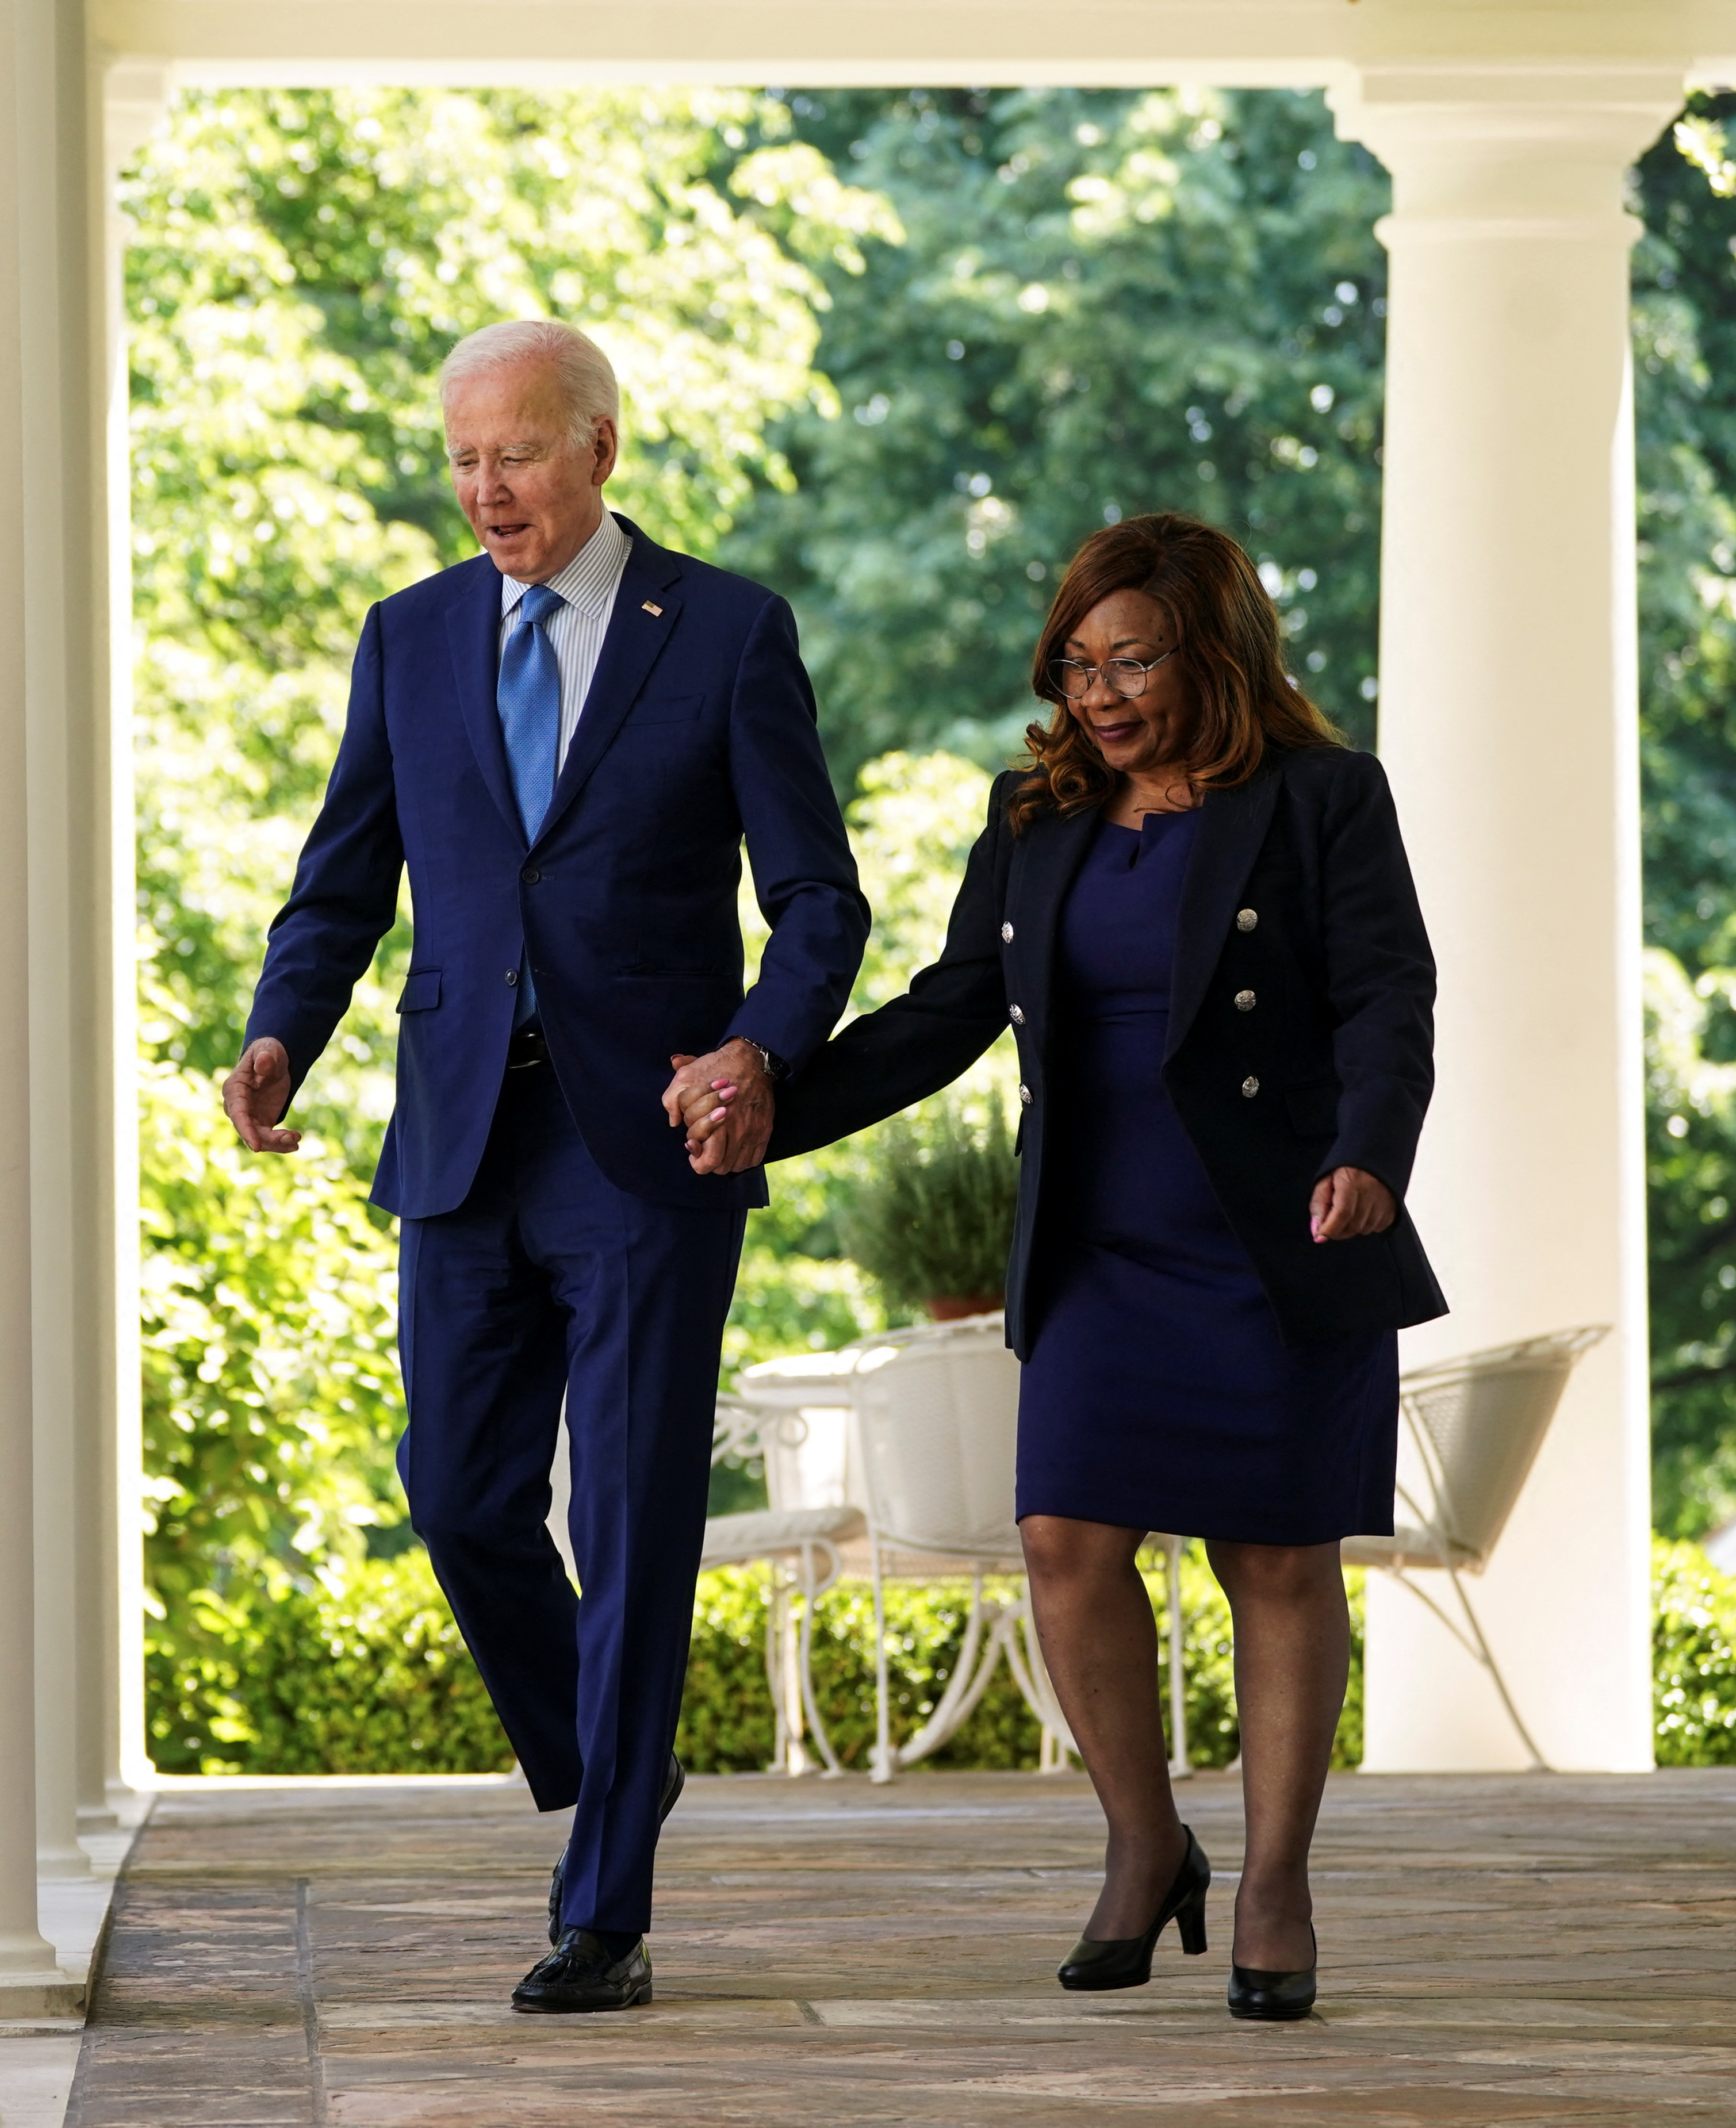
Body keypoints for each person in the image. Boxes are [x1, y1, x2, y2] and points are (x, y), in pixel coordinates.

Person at [719, 511, 1443, 2023]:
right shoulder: (1035, 813)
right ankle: (1143, 1840)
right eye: (1076, 661)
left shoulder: (1322, 798)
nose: (1097, 692)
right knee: (1063, 1542)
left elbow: (1389, 992)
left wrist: (1371, 1150)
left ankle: (1273, 1885)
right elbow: (949, 1010)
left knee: (1277, 1561)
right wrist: (775, 1099)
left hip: (1280, 1230)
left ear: (1217, 649)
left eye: (1131, 659)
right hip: (1102, 1242)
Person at [224, 320, 868, 2014]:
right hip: (460, 1138)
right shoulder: (411, 636)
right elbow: (344, 876)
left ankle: (605, 1914)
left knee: (640, 1517)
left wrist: (760, 1049)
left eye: (512, 452)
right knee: (454, 1497)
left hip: (647, 1141)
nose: (482, 487)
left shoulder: (725, 633)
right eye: (461, 458)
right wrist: (288, 1027)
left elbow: (821, 902)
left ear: (598, 447)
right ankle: (611, 1755)